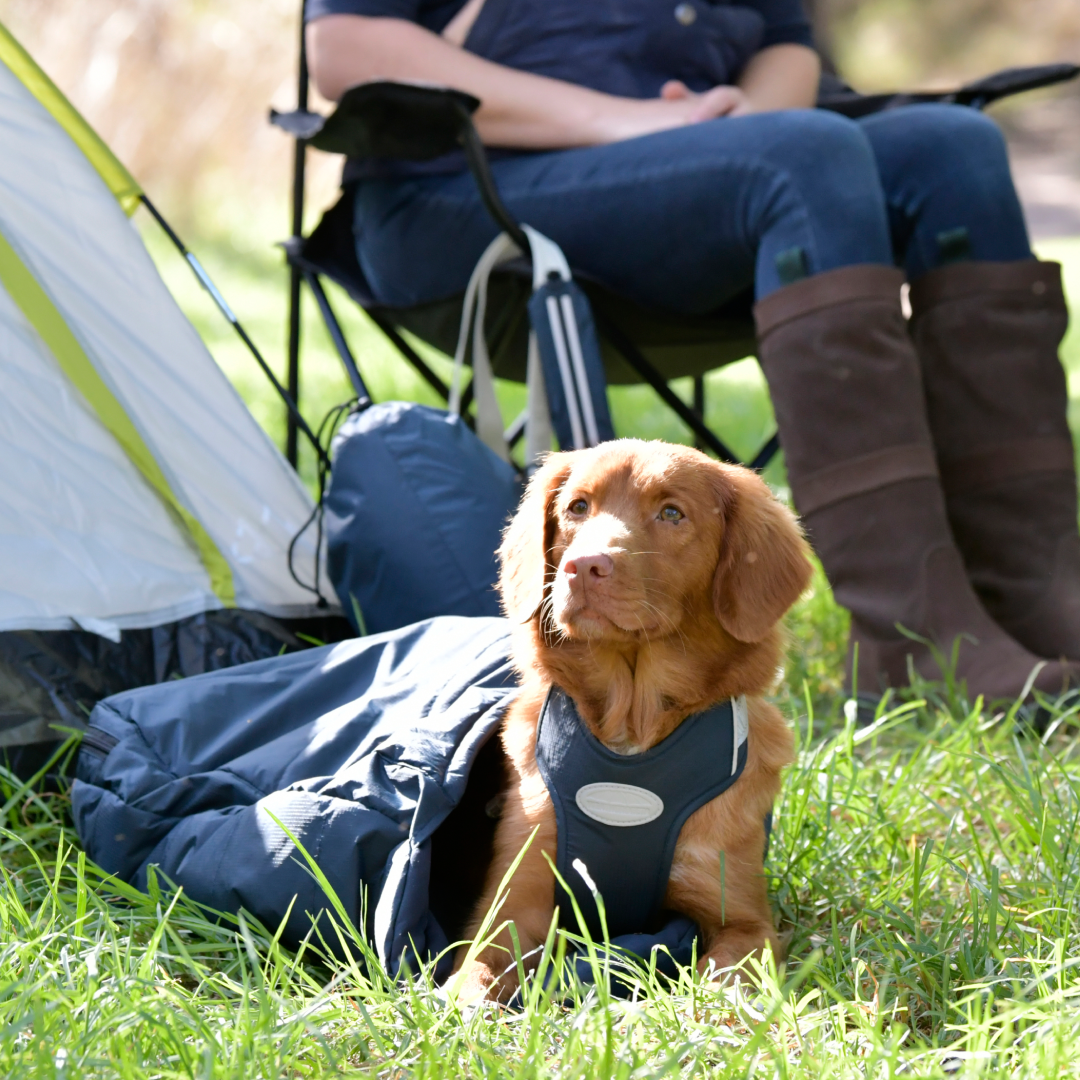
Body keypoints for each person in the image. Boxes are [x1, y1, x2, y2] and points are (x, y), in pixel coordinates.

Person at [304, 0, 1079, 703]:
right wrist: (626, 121)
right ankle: (915, 636)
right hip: (460, 192)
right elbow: (344, 50)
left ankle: (1040, 598)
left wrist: (747, 120)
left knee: (957, 146)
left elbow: (784, 40)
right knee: (806, 156)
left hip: (706, 177)